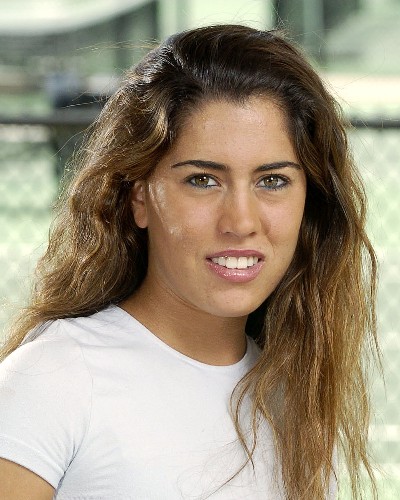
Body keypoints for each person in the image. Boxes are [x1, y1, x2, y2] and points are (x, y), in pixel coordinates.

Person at [0, 24, 379, 499]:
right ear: (139, 197)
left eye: (273, 181)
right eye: (203, 180)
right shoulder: (55, 379)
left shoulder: (294, 402)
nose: (241, 221)